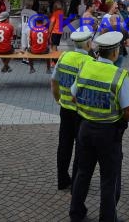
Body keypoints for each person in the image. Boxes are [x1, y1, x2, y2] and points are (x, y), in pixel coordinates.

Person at [69, 31, 129, 222]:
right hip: (108, 133)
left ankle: (76, 212)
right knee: (108, 178)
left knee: (83, 172)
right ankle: (107, 218)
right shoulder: (119, 75)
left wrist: (88, 110)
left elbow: (74, 97)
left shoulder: (85, 68)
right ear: (115, 52)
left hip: (85, 127)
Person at [51, 31, 94, 191]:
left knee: (64, 145)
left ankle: (62, 179)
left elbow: (54, 82)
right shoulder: (90, 62)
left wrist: (58, 99)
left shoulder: (64, 56)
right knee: (81, 147)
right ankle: (77, 182)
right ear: (88, 44)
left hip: (65, 108)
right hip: (81, 112)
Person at [49, 1, 65, 68]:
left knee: (53, 46)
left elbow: (52, 23)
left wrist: (49, 32)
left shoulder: (55, 13)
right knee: (54, 46)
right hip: (59, 32)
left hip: (55, 32)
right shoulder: (62, 12)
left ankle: (54, 62)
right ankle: (56, 60)